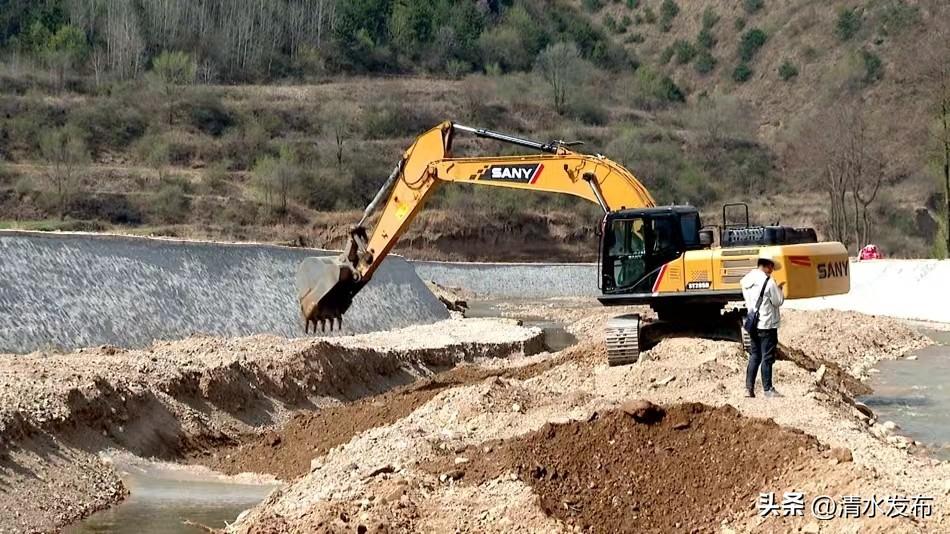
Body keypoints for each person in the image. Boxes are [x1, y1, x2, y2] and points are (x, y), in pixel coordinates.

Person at [740, 251, 786, 398]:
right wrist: (780, 289)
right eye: (772, 267)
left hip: (753, 323)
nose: (772, 270)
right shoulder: (769, 282)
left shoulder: (746, 280)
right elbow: (778, 301)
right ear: (767, 265)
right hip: (767, 324)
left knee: (755, 355)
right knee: (767, 357)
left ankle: (749, 388)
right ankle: (767, 389)